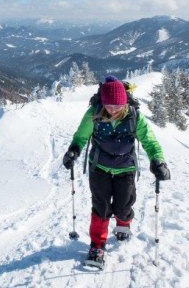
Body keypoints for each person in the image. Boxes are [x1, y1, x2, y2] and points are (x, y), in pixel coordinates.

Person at [62, 75, 171, 268]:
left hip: (125, 168)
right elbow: (81, 136)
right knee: (101, 207)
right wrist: (73, 151)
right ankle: (97, 245)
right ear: (103, 102)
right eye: (109, 106)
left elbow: (150, 141)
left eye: (118, 106)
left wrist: (158, 160)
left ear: (125, 103)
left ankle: (123, 223)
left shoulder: (134, 116)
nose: (113, 110)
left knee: (123, 205)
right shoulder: (94, 113)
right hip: (99, 167)